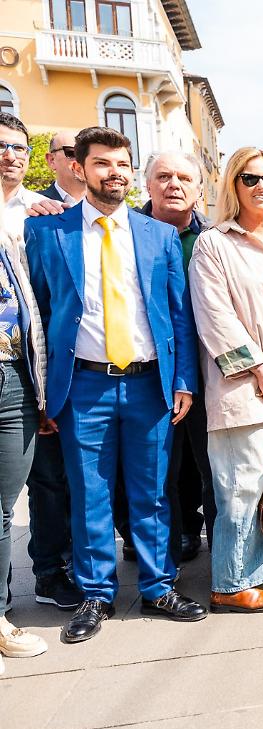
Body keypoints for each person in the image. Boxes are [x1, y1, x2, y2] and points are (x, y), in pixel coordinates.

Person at [25, 126, 207, 643]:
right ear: (79, 169)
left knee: (153, 493)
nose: (116, 173)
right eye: (103, 163)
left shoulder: (159, 236)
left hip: (151, 384)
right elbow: (39, 313)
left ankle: (158, 586)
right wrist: (44, 390)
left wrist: (184, 381)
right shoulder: (49, 234)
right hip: (84, 386)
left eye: (123, 163)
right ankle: (95, 594)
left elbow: (179, 316)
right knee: (91, 493)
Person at [188, 147, 263, 613]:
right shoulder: (214, 243)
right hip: (242, 384)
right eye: (251, 179)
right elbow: (215, 317)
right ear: (233, 185)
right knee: (241, 485)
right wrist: (258, 369)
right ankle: (232, 581)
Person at [2, 114, 82, 611]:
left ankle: (49, 572)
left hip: (29, 368)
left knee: (47, 478)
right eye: (0, 146)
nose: (9, 154)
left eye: (16, 147)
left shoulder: (41, 212)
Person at [141, 152, 214, 562]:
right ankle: (163, 559)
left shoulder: (213, 237)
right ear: (147, 184)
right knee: (157, 474)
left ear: (199, 190)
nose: (174, 185)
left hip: (207, 370)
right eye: (163, 176)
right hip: (149, 371)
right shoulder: (128, 234)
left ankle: (219, 554)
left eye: (184, 178)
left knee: (208, 467)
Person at [0, 237, 49, 671]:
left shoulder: (10, 241)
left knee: (1, 512)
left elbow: (28, 315)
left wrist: (42, 391)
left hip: (14, 382)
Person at [0, 113, 46, 238]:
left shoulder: (48, 211)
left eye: (19, 148)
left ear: (28, 156)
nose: (10, 157)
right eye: (1, 146)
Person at [40, 131, 85, 206]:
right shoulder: (34, 203)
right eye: (73, 153)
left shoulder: (108, 204)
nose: (82, 160)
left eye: (87, 154)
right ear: (52, 160)